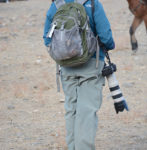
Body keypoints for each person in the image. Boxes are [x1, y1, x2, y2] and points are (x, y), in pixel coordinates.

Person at [43, 0, 115, 150]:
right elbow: (106, 36)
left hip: (66, 67)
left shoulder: (56, 5)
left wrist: (63, 54)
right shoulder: (92, 3)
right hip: (92, 64)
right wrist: (109, 47)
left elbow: (47, 38)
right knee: (87, 111)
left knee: (71, 111)